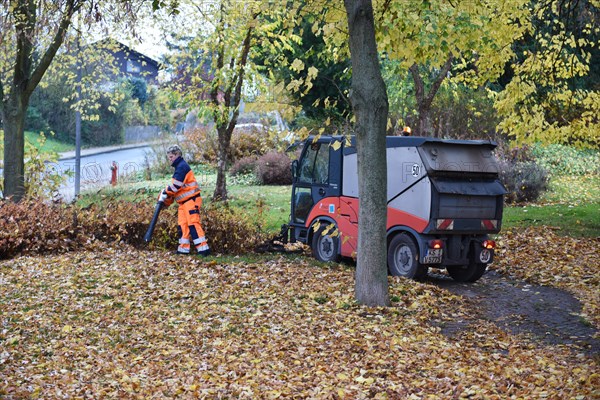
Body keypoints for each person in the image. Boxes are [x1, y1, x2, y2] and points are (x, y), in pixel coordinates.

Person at [158, 145, 210, 256]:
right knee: (182, 226)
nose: (170, 159)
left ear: (177, 155)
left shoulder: (182, 167)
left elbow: (176, 186)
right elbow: (177, 189)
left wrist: (165, 191)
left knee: (193, 224)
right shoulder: (180, 167)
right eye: (169, 157)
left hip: (191, 201)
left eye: (171, 156)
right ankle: (183, 250)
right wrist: (167, 197)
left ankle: (203, 250)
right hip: (183, 203)